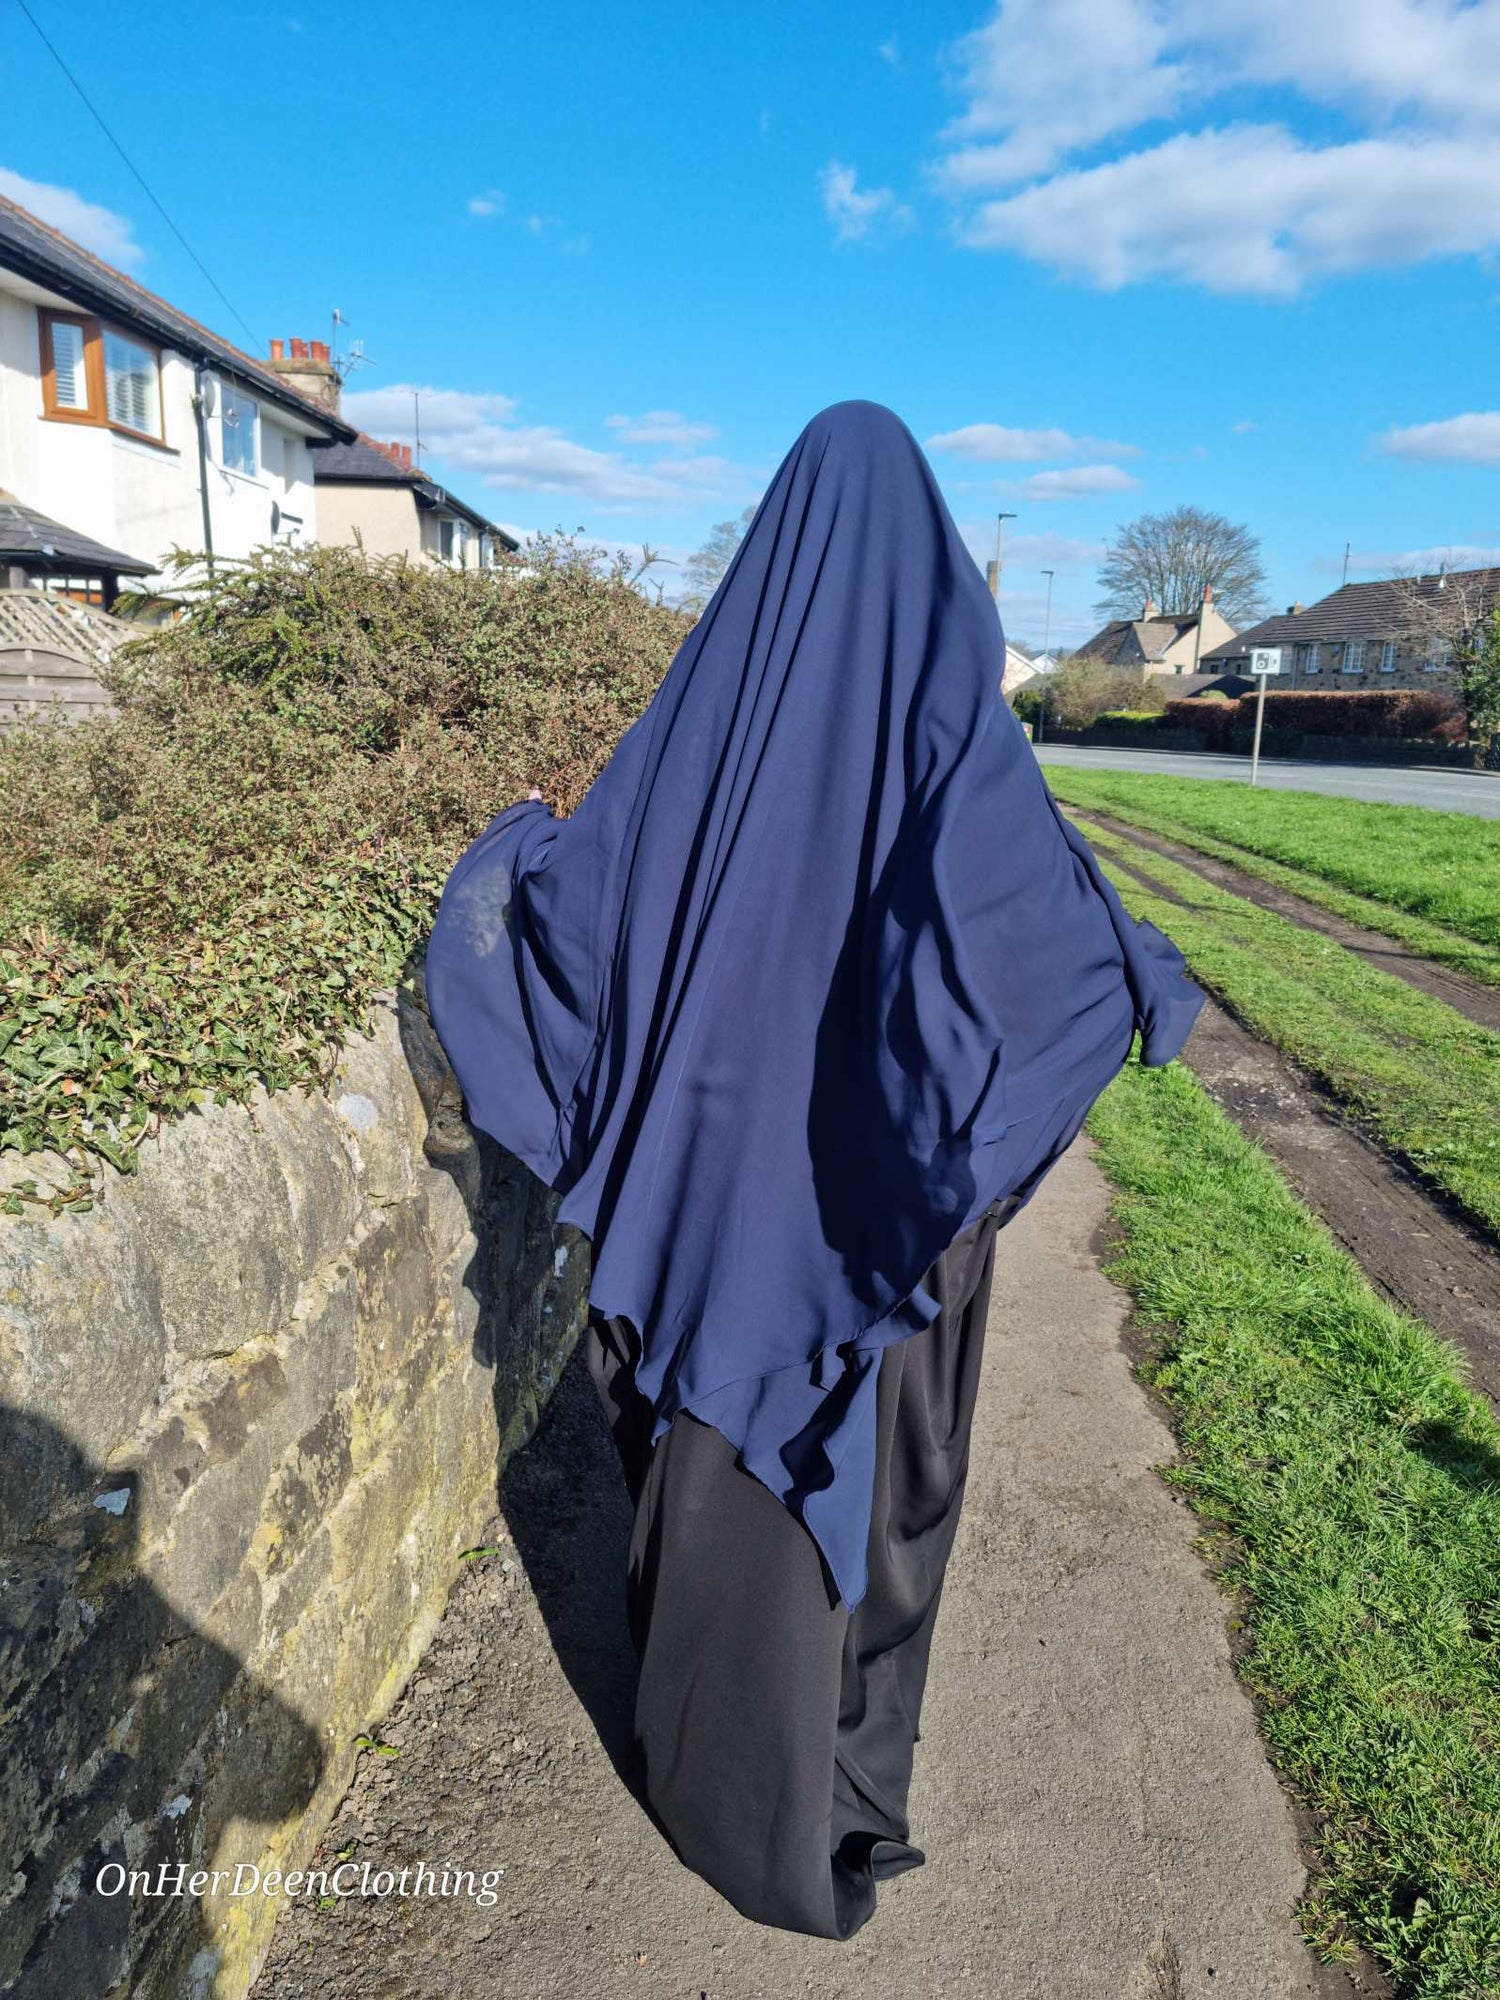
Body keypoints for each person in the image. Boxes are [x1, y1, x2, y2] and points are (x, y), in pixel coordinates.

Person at [424, 401, 1203, 1940]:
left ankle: (726, 1794)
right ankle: (843, 1791)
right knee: (875, 1500)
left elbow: (576, 918)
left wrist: (504, 848)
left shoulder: (704, 727)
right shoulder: (961, 756)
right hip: (884, 1239)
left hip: (710, 1225)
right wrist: (1128, 979)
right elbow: (1056, 970)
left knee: (706, 1487)